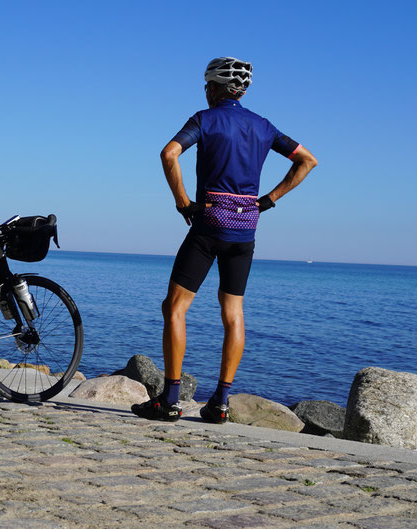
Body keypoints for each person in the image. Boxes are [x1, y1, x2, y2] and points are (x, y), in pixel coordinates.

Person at [131, 57, 318, 423]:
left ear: (213, 88)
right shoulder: (263, 126)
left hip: (207, 225)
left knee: (175, 308)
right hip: (245, 229)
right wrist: (269, 199)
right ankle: (220, 404)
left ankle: (169, 399)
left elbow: (169, 153)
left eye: (206, 86)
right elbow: (308, 161)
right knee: (233, 314)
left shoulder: (205, 118)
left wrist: (181, 201)